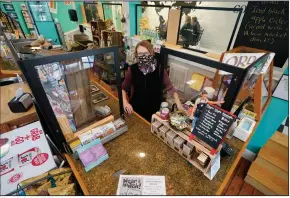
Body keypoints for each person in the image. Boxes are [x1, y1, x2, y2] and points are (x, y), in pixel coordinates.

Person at [122, 40, 183, 121]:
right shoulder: (132, 70)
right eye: (140, 54)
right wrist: (125, 102)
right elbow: (123, 88)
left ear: (151, 53)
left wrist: (179, 104)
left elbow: (170, 88)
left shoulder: (160, 70)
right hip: (136, 109)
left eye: (146, 53)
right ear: (136, 55)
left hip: (155, 111)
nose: (143, 56)